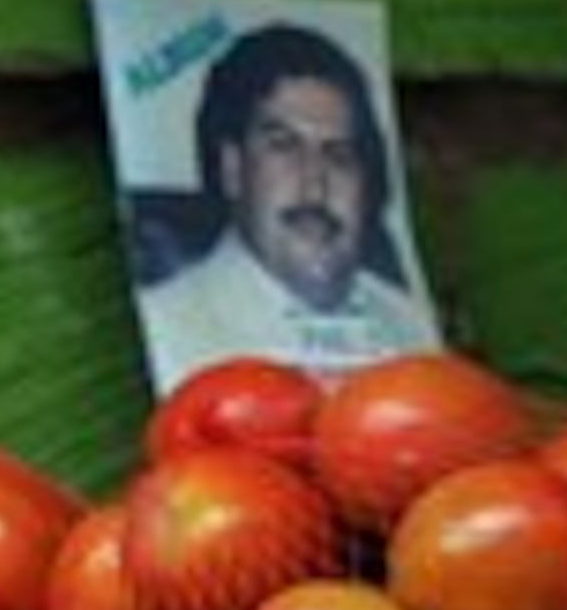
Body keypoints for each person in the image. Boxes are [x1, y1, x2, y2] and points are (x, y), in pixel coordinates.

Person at [137, 21, 441, 379]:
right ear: (232, 168)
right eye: (284, 147)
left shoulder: (413, 331)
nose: (314, 188)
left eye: (339, 156)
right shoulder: (166, 327)